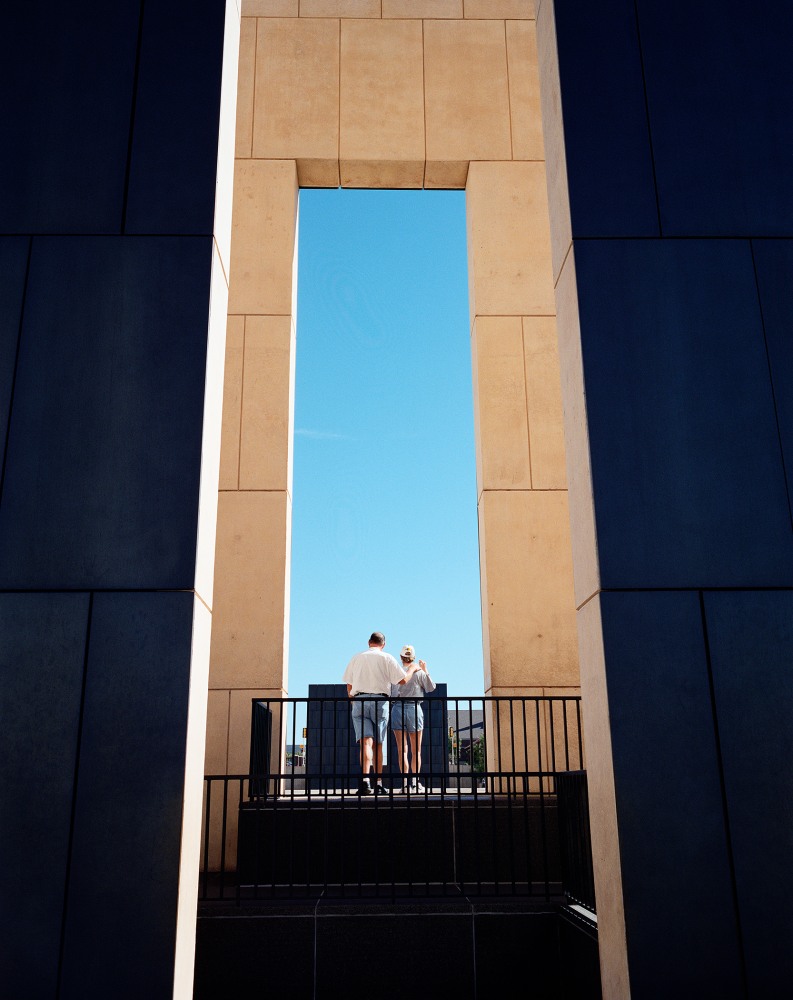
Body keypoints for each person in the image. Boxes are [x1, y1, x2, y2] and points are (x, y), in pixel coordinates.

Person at [342, 632, 421, 795]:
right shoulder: (387, 658)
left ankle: (365, 782)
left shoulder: (356, 658)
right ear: (383, 644)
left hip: (360, 700)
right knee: (378, 743)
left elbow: (349, 685)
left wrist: (352, 699)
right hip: (380, 701)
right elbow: (402, 680)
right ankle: (378, 783)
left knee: (366, 743)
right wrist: (412, 669)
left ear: (369, 642)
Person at [390, 645, 435, 792]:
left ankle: (404, 784)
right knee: (416, 750)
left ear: (401, 657)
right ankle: (415, 783)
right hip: (414, 708)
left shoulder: (396, 671)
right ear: (413, 657)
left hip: (397, 708)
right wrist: (425, 669)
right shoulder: (419, 671)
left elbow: (390, 691)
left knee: (402, 750)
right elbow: (431, 687)